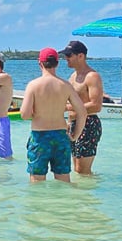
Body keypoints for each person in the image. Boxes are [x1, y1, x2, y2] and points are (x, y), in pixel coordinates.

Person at [20, 48, 88, 183]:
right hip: (61, 137)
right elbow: (82, 112)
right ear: (57, 63)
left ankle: (40, 205)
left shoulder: (33, 85)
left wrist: (37, 113)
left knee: (37, 182)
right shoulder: (65, 85)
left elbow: (24, 114)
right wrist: (75, 136)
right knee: (63, 180)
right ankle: (63, 204)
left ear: (40, 63)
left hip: (39, 138)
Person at [60, 39, 104, 176]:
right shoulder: (72, 76)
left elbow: (96, 105)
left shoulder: (92, 76)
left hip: (89, 123)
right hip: (73, 123)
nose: (65, 59)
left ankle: (89, 195)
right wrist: (68, 122)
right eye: (65, 55)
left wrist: (69, 108)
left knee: (82, 170)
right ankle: (79, 197)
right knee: (76, 169)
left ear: (81, 56)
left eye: (69, 55)